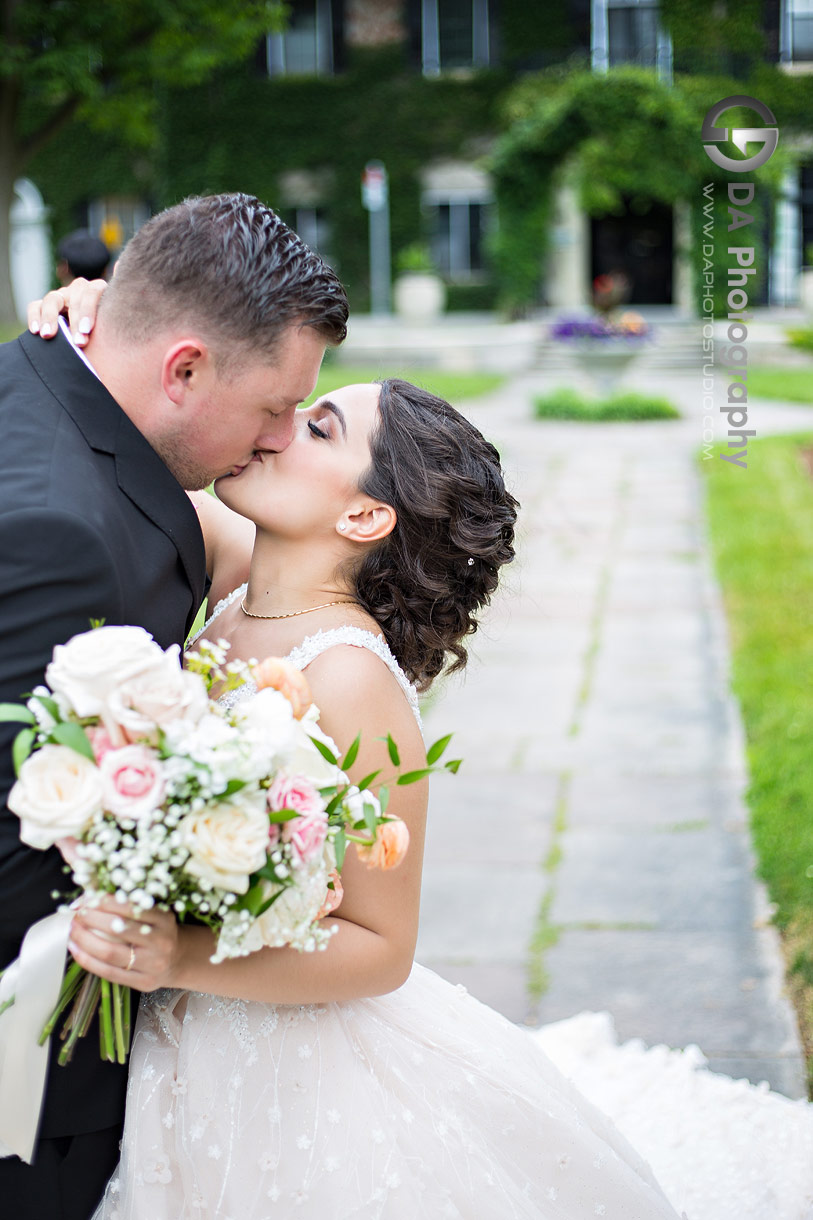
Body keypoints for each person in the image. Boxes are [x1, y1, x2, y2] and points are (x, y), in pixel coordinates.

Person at [29, 292, 813, 1219]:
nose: (275, 428)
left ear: (364, 519)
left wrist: (180, 957)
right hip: (181, 1052)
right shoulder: (239, 568)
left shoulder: (349, 676)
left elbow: (382, 948)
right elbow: (128, 436)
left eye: (315, 426)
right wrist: (103, 328)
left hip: (278, 1061)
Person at [0, 193, 348, 1220]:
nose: (281, 438)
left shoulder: (42, 376)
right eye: (276, 407)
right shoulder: (61, 530)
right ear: (184, 367)